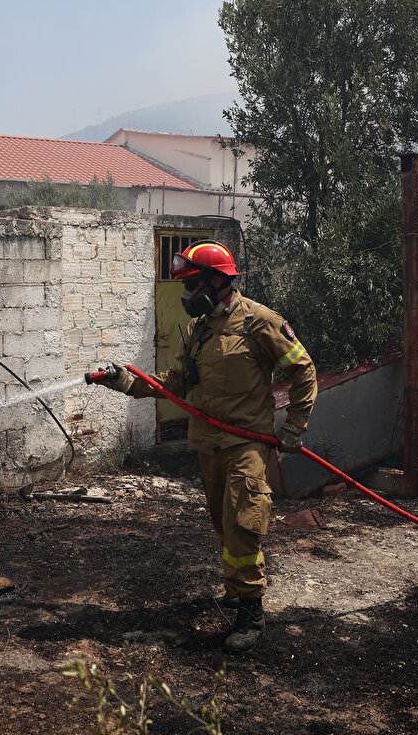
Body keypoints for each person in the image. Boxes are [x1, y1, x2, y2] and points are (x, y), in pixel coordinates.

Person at [95, 240, 317, 652]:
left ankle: (251, 612)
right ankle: (236, 587)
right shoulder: (198, 331)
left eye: (193, 284)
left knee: (243, 523)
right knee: (222, 522)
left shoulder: (259, 322)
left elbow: (303, 371)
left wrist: (296, 427)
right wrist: (124, 380)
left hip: (246, 444)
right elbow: (176, 385)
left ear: (218, 281)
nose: (187, 295)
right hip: (208, 443)